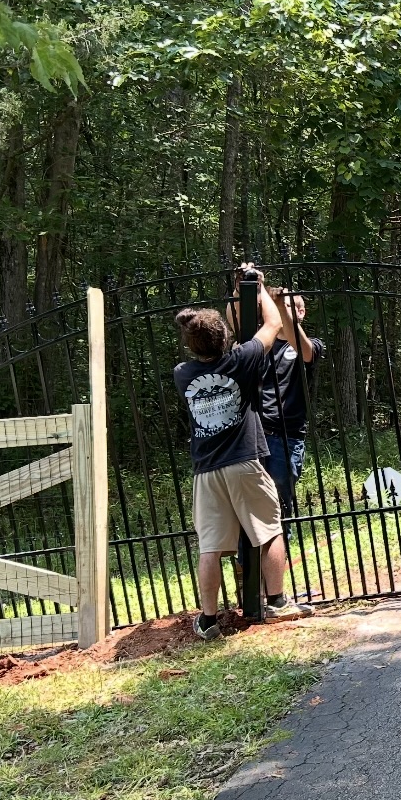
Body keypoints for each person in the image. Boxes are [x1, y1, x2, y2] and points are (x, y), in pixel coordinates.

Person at [174, 272, 313, 640]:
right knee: (270, 530)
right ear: (226, 339)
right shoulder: (241, 361)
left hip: (206, 469)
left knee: (209, 548)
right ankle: (277, 602)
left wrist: (238, 293)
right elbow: (272, 323)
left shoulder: (182, 373)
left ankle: (207, 620)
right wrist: (258, 286)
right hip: (244, 460)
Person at [260, 287, 324, 528]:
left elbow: (306, 353)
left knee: (279, 511)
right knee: (249, 509)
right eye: (277, 307)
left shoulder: (310, 345)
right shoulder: (262, 346)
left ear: (301, 312)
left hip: (286, 440)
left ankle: (280, 552)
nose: (280, 310)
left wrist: (280, 306)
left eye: (287, 307)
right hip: (254, 438)